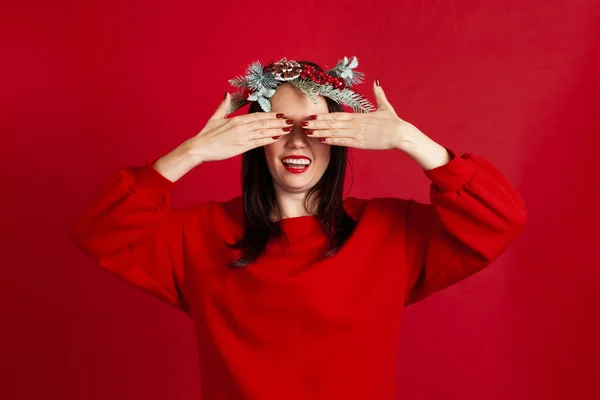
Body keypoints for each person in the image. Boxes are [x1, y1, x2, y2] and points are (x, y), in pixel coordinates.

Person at [68, 57, 527, 399]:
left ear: (340, 135)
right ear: (254, 138)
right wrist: (190, 153)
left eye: (315, 125)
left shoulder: (389, 230)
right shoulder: (199, 234)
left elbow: (499, 220)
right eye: (281, 125)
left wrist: (410, 139)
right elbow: (98, 231)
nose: (298, 140)